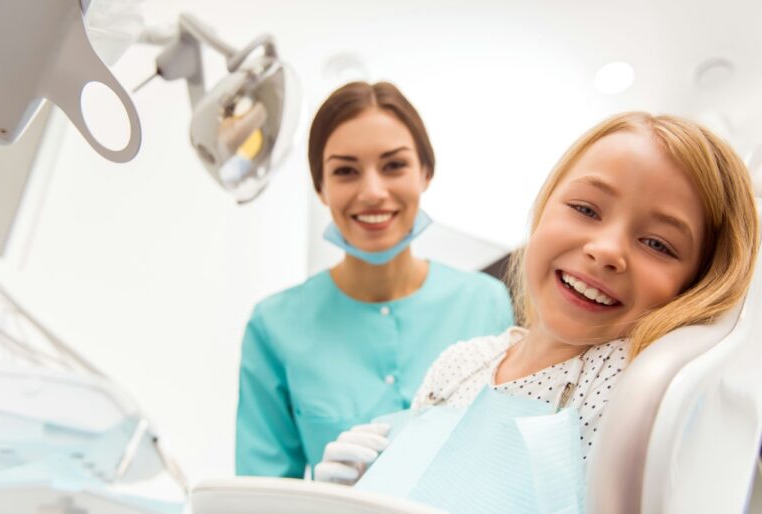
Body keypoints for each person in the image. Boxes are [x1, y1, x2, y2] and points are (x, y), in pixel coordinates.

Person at [314, 111, 759, 483]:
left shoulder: (633, 387)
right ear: (544, 207)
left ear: (697, 283)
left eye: (658, 244)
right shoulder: (460, 364)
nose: (606, 250)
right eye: (586, 209)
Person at [235, 82, 515, 477]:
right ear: (321, 188)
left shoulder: (486, 303)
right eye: (346, 171)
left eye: (394, 165)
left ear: (426, 173)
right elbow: (255, 499)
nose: (372, 191)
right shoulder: (274, 326)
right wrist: (320, 495)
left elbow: (508, 462)